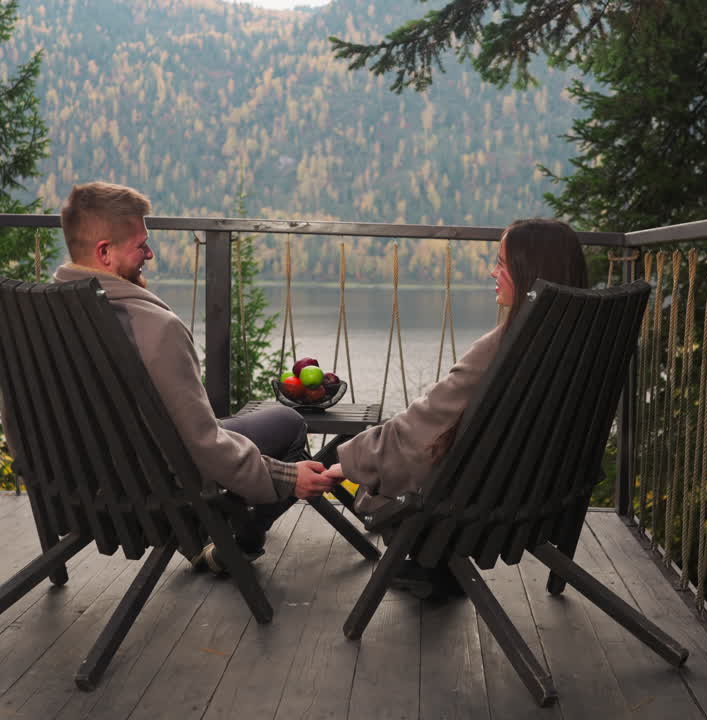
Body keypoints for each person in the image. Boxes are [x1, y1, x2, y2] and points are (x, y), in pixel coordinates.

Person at [53, 182, 334, 572]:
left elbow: (19, 423)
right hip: (151, 490)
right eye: (140, 245)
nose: (149, 253)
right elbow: (200, 445)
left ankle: (232, 541)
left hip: (73, 488)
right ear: (104, 252)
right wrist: (285, 476)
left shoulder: (39, 316)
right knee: (288, 423)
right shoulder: (152, 326)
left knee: (244, 431)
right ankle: (236, 544)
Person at [324, 218, 589, 599]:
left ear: (531, 272)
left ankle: (246, 532)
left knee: (341, 456)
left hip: (467, 515)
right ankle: (433, 569)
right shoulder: (575, 345)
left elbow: (417, 427)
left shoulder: (505, 349)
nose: (492, 272)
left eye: (501, 263)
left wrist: (346, 462)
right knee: (374, 449)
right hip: (537, 498)